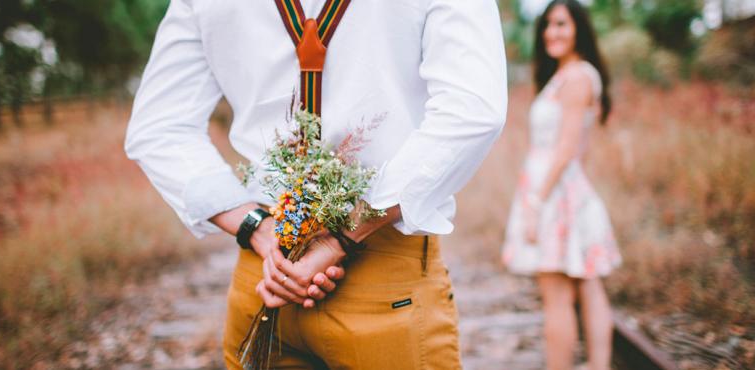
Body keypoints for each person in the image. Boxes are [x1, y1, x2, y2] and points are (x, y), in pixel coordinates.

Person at [125, 0, 507, 368]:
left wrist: (256, 226)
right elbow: (473, 111)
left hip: (266, 278)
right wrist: (342, 234)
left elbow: (158, 128)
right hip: (383, 283)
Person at [500, 1, 622, 369]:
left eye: (561, 24)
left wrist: (537, 202)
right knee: (588, 284)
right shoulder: (571, 74)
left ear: (579, 29)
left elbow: (567, 146)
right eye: (547, 26)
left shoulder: (576, 77)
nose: (552, 33)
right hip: (565, 188)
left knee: (556, 296)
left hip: (552, 193)